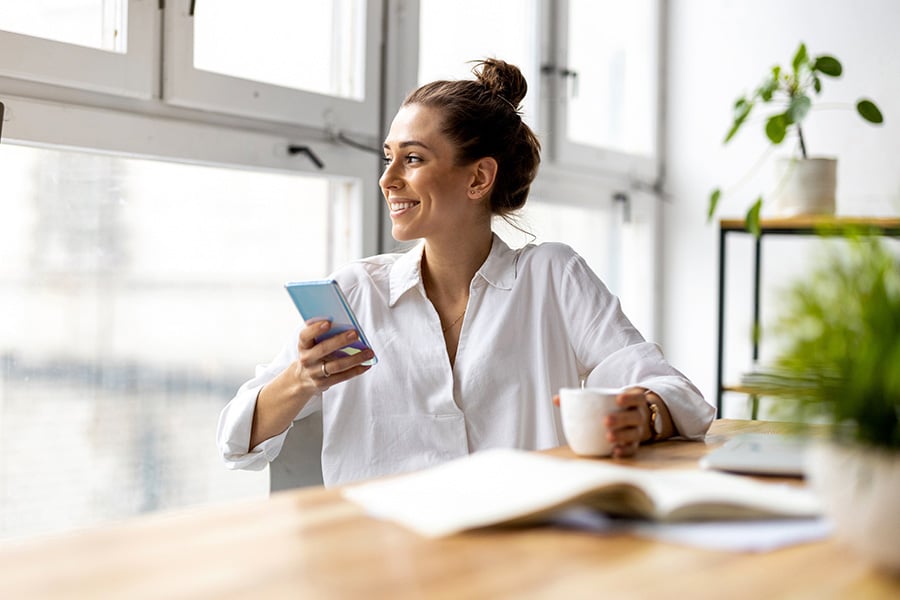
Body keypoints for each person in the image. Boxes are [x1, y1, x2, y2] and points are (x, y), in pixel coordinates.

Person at [217, 58, 715, 486]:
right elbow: (236, 437)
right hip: (381, 561)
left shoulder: (552, 277)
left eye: (412, 159)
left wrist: (644, 415)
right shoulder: (356, 293)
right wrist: (301, 379)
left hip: (519, 551)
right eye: (388, 158)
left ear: (478, 177)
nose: (387, 179)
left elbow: (677, 394)